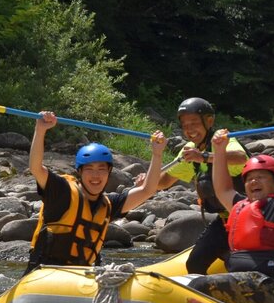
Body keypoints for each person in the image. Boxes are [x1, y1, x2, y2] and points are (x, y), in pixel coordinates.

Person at [24, 111, 167, 274]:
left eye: (101, 169)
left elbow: (148, 190)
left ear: (109, 172)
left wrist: (157, 154)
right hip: (44, 274)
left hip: (82, 276)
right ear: (80, 172)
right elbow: (36, 168)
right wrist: (40, 130)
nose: (96, 175)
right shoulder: (63, 192)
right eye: (89, 169)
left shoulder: (108, 204)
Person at [209, 119, 274, 294]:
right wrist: (219, 150)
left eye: (261, 176)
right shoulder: (240, 206)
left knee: (201, 286)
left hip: (271, 285)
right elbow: (222, 189)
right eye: (249, 178)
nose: (254, 181)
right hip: (239, 280)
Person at [156, 97, 248, 274]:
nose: (189, 129)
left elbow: (240, 158)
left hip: (249, 219)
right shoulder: (190, 150)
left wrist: (205, 156)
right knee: (195, 264)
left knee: (239, 265)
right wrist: (149, 175)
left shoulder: (221, 140)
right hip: (225, 221)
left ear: (209, 121)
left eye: (194, 123)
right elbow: (164, 182)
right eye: (185, 125)